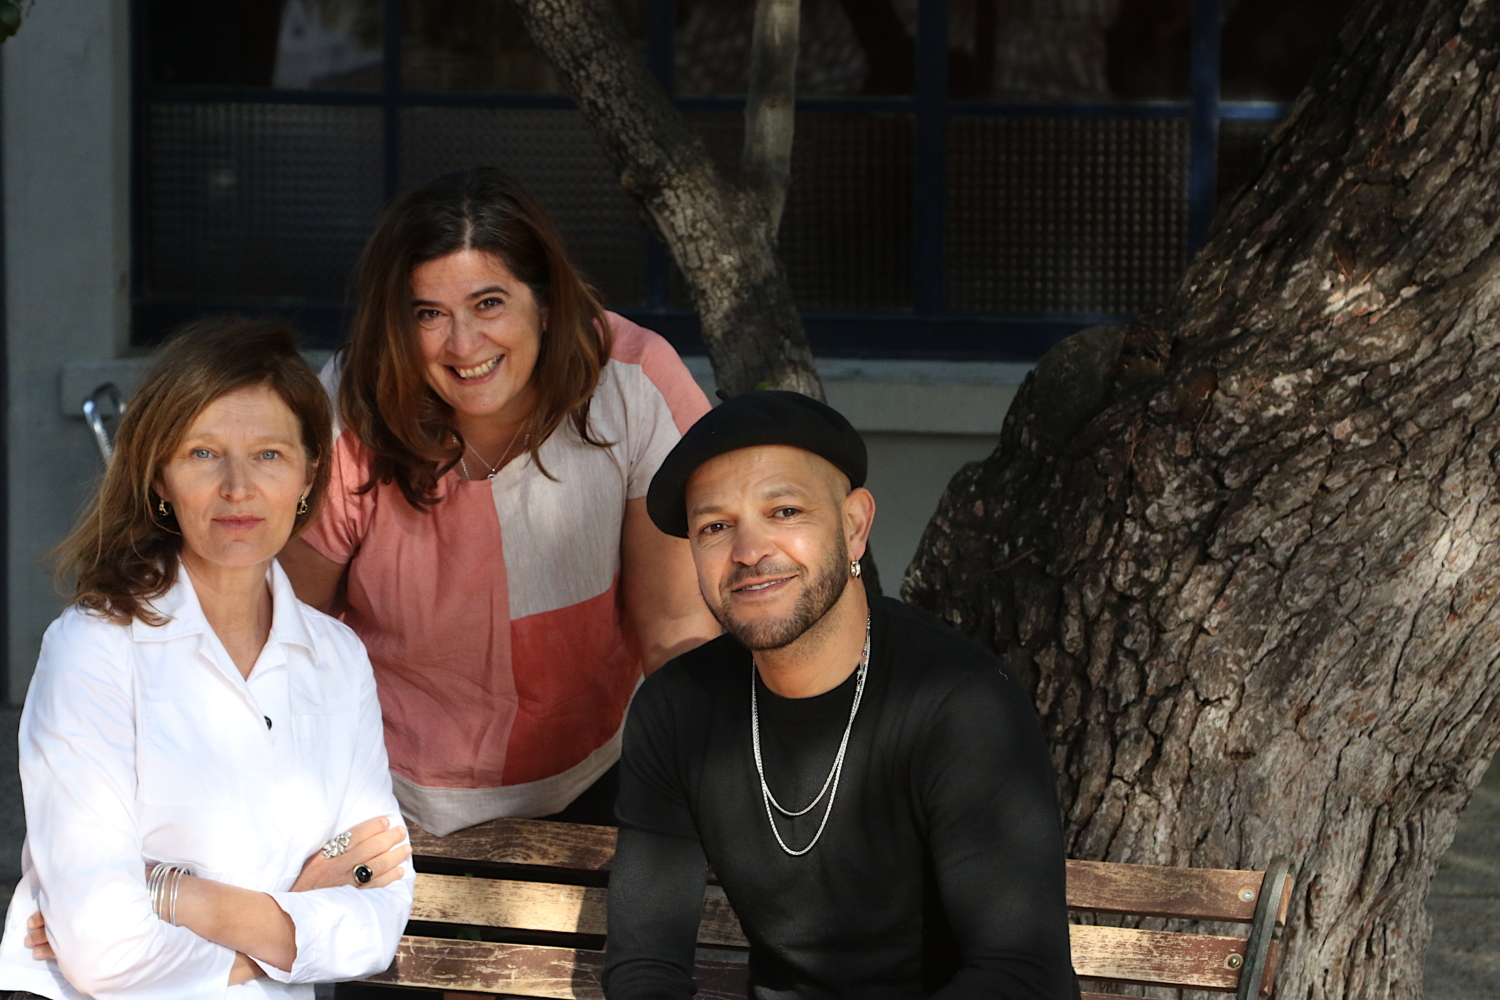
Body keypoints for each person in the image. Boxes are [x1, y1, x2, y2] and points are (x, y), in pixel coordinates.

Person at [278, 168, 720, 837]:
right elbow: (289, 629)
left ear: (545, 302)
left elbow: (674, 634)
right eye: (429, 314)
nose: (463, 344)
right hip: (382, 789)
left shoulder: (632, 380)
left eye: (489, 304)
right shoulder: (352, 404)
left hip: (596, 771)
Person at [604, 391, 1080, 1000]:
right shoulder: (675, 712)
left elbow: (1022, 975)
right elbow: (644, 968)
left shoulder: (960, 704)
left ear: (853, 526)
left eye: (784, 511)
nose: (748, 552)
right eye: (716, 526)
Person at [0, 319, 415, 999]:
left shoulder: (336, 658)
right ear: (159, 477)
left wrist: (176, 894)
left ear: (312, 473)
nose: (237, 488)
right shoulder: (94, 647)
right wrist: (295, 916)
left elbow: (378, 907)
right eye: (202, 453)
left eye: (269, 455)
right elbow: (104, 951)